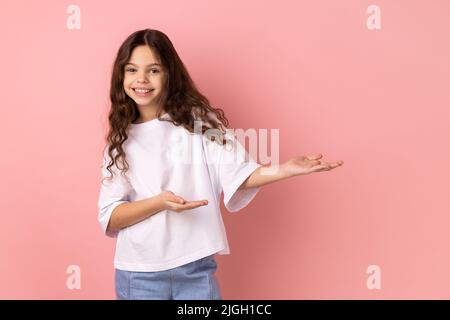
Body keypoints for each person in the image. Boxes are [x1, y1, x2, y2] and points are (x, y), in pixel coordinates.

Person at [97, 29, 344, 300]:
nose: (141, 79)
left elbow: (238, 170)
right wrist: (159, 202)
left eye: (153, 70)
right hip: (138, 274)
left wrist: (285, 169)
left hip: (195, 268)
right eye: (131, 70)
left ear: (169, 73)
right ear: (121, 76)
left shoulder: (201, 122)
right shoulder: (120, 140)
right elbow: (110, 217)